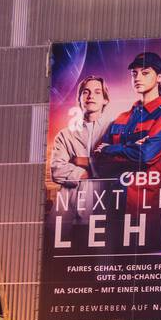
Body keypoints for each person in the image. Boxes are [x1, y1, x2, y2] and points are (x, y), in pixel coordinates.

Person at [92, 51, 161, 215]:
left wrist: (111, 149)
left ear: (159, 77)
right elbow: (98, 159)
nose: (138, 78)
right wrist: (132, 149)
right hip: (114, 199)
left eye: (145, 73)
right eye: (134, 73)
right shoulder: (122, 117)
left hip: (145, 202)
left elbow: (146, 155)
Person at [49, 75, 112, 221]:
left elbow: (117, 165)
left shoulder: (113, 129)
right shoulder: (65, 135)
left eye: (97, 92)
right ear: (79, 99)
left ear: (105, 99)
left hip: (101, 203)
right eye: (85, 92)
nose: (91, 96)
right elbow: (57, 170)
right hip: (67, 205)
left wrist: (80, 161)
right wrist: (88, 172)